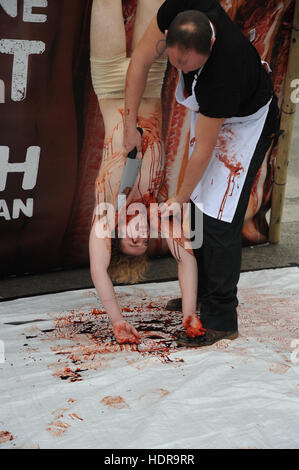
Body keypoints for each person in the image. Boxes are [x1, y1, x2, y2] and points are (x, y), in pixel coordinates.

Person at [123, 0, 280, 347]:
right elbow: (140, 61)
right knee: (196, 206)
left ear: (208, 46)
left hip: (246, 123)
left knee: (220, 216)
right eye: (177, 63)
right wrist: (128, 123)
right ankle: (202, 295)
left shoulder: (224, 71)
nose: (182, 70)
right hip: (214, 112)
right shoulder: (178, 10)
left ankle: (223, 316)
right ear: (169, 35)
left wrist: (177, 198)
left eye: (189, 66)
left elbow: (205, 151)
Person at [89, 0, 204, 345]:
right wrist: (189, 313)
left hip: (110, 86)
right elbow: (186, 258)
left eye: (130, 242)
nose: (139, 238)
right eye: (144, 243)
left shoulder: (106, 213)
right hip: (149, 80)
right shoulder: (158, 208)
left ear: (118, 235)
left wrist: (117, 319)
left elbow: (98, 270)